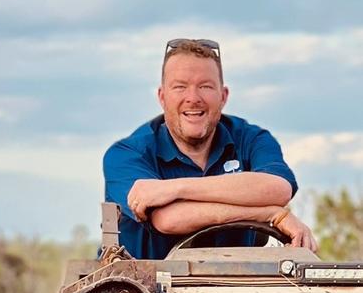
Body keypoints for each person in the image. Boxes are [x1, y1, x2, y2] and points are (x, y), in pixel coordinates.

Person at [103, 38, 317, 258]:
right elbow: (169, 219)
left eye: (205, 86)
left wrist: (174, 189)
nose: (193, 98)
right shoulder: (126, 155)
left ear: (223, 96)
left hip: (231, 284)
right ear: (162, 97)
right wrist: (269, 213)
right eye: (180, 87)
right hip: (141, 287)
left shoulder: (252, 139)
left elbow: (278, 189)